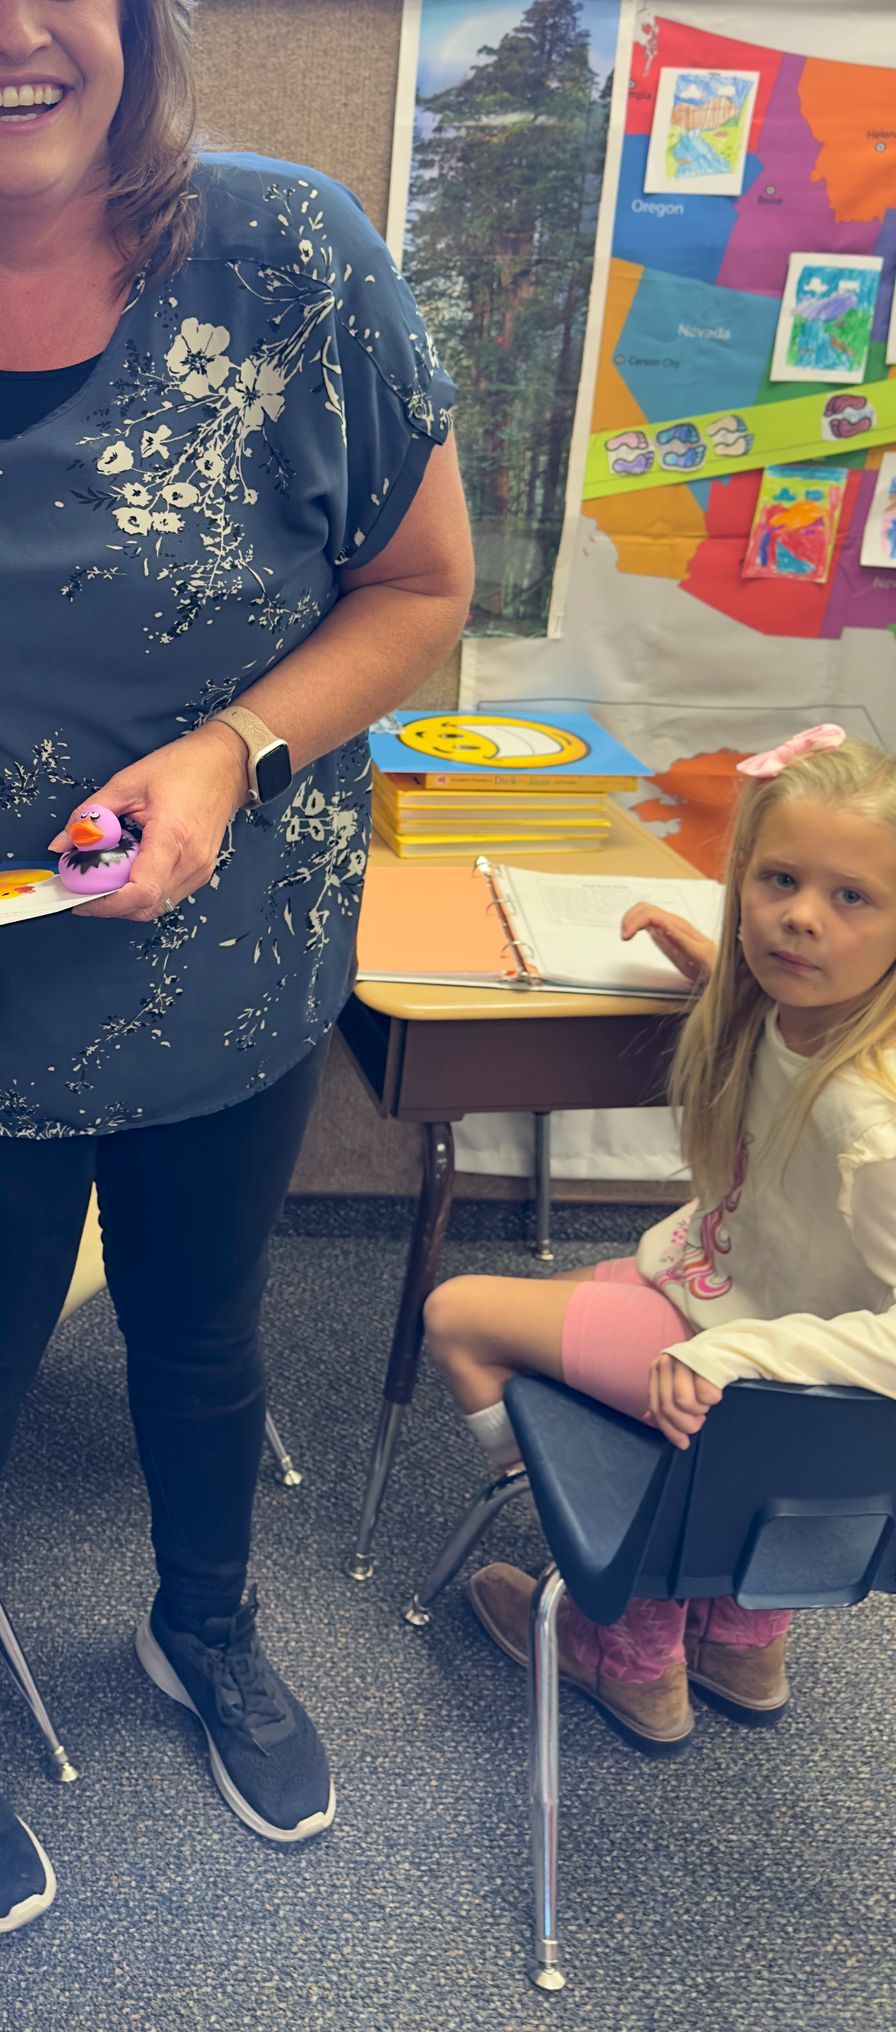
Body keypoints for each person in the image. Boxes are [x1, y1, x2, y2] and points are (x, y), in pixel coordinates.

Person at [0, 0, 475, 1930]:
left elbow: (419, 588)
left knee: (207, 1338)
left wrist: (228, 755)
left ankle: (210, 1625)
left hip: (244, 961)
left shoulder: (289, 259)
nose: (17, 31)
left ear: (143, 12)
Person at [425, 726, 896, 1751]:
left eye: (851, 897)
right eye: (778, 881)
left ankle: (626, 1633)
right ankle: (740, 1636)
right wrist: (719, 969)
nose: (800, 919)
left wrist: (730, 1352)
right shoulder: (814, 1019)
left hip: (745, 1360)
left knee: (457, 1316)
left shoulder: (873, 1129)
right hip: (753, 1347)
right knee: (720, 1426)